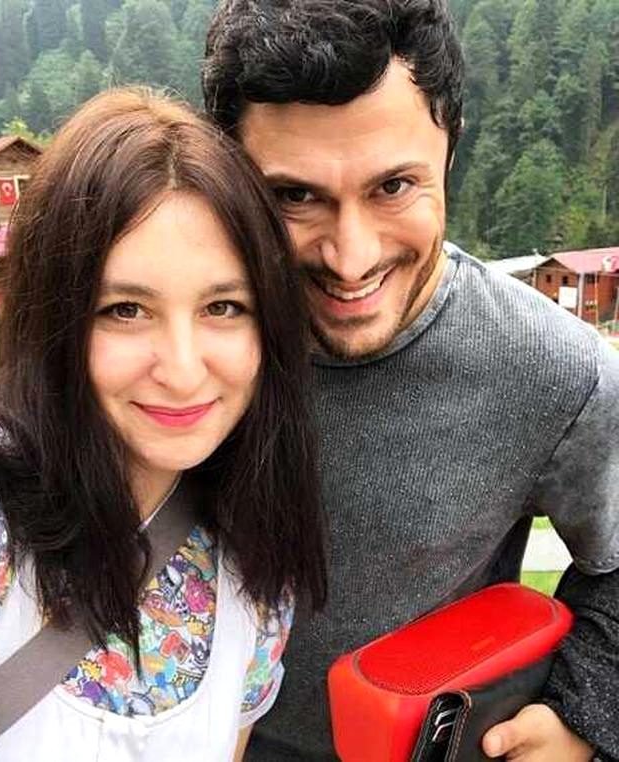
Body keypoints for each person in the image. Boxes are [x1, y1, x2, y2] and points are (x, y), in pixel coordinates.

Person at [202, 1, 619, 760]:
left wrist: (580, 717)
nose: (351, 257)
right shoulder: (182, 348)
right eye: (295, 196)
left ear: (450, 147)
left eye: (393, 186)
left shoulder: (557, 371)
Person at [0, 88, 326, 761]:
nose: (183, 370)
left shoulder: (253, 570)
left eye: (223, 307)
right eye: (125, 310)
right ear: (57, 322)